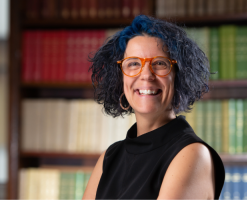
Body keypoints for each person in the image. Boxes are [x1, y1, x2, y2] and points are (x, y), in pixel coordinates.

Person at [83, 15, 225, 199]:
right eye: (133, 64)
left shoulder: (192, 154)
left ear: (178, 76)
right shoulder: (109, 158)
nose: (146, 75)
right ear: (120, 78)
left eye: (159, 63)